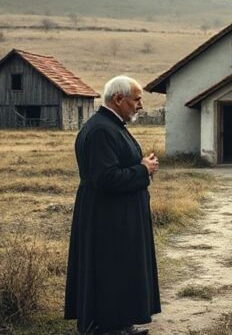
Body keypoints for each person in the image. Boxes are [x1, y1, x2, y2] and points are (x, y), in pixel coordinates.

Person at [64, 76, 160, 335]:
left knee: (119, 268)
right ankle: (105, 327)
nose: (140, 105)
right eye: (136, 99)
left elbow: (115, 166)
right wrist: (143, 170)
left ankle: (119, 324)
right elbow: (105, 178)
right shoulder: (101, 130)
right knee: (109, 269)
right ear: (119, 99)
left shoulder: (111, 126)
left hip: (117, 214)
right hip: (107, 217)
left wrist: (139, 165)